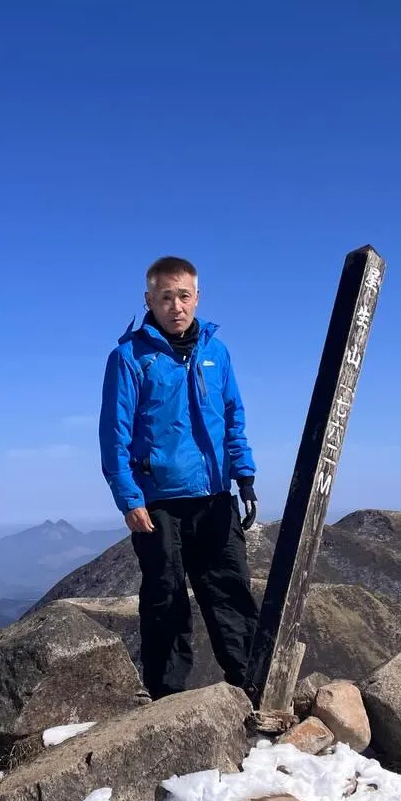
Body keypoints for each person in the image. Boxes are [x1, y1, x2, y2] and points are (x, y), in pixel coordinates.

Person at [98, 255, 262, 700]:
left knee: (230, 590)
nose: (176, 306)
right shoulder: (129, 357)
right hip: (158, 502)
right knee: (165, 598)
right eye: (166, 297)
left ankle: (251, 686)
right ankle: (167, 698)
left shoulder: (216, 352)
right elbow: (114, 435)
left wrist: (244, 475)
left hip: (214, 494)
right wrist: (129, 498)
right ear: (149, 300)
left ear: (197, 297)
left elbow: (233, 417)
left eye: (184, 296)